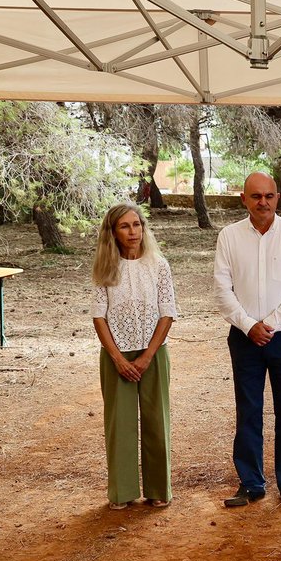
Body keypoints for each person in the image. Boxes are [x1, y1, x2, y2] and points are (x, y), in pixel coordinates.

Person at [213, 172, 281, 509]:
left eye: (269, 196)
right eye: (256, 196)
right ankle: (251, 483)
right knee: (248, 410)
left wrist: (269, 324)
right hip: (244, 336)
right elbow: (222, 288)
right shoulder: (229, 236)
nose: (263, 203)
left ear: (278, 197)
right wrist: (248, 325)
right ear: (244, 198)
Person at [91, 203, 178, 509]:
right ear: (113, 232)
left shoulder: (158, 265)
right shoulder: (106, 267)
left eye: (137, 225)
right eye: (125, 226)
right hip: (117, 355)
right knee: (120, 424)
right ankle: (123, 492)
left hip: (153, 353)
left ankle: (158, 490)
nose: (133, 232)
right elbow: (98, 317)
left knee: (157, 421)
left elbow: (167, 313)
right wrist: (117, 358)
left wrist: (146, 357)